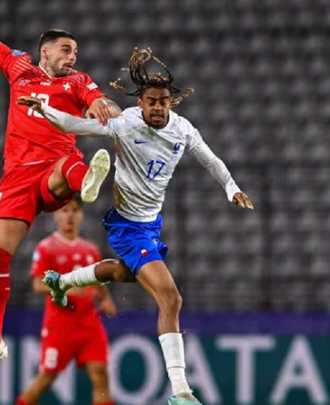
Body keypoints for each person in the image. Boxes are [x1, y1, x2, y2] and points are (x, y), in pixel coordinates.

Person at [18, 48, 253, 405]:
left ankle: (61, 281)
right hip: (128, 226)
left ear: (171, 103)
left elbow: (211, 160)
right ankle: (181, 391)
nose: (157, 108)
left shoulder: (183, 129)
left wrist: (232, 187)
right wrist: (44, 110)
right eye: (150, 101)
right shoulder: (126, 124)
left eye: (163, 102)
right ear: (140, 102)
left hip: (151, 224)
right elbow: (76, 125)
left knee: (125, 273)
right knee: (170, 298)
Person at [0, 0, 122, 373]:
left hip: (54, 170)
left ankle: (87, 182)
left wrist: (104, 107)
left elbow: (102, 102)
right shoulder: (20, 68)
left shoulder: (76, 83)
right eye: (66, 49)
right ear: (44, 51)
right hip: (15, 178)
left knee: (68, 165)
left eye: (76, 51)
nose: (73, 56)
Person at [17, 198, 117, 405]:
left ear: (81, 215)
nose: (69, 215)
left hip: (88, 322)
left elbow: (97, 280)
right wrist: (69, 288)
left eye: (74, 210)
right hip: (60, 324)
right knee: (47, 378)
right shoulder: (46, 248)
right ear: (56, 215)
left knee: (100, 373)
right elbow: (38, 284)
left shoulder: (90, 250)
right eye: (64, 210)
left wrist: (106, 298)